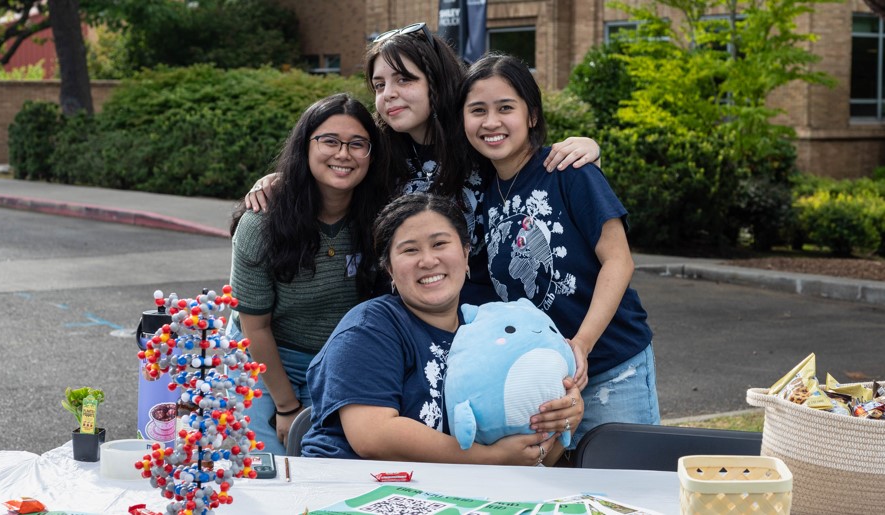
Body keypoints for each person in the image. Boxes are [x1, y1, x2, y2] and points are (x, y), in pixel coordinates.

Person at [245, 22, 602, 306]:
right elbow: (333, 168)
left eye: (404, 79)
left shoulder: (478, 141)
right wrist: (283, 178)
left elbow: (529, 158)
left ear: (437, 81)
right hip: (399, 321)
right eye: (379, 85)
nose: (389, 94)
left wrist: (587, 147)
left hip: (481, 327)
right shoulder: (379, 153)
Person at [459, 53, 660, 444]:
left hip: (610, 367)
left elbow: (619, 261)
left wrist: (580, 345)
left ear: (531, 115)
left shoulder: (568, 169)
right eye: (477, 110)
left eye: (506, 108)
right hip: (533, 380)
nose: (491, 122)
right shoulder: (478, 193)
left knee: (625, 488)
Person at [300, 194, 584, 465]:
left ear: (465, 252)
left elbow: (531, 457)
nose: (427, 260)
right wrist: (490, 459)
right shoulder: (371, 326)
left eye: (439, 244)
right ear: (389, 269)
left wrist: (564, 417)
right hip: (349, 486)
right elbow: (371, 436)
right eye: (410, 250)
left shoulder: (490, 329)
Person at [227, 93, 388, 455]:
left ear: (371, 155)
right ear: (306, 146)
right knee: (263, 468)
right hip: (261, 360)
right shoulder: (262, 223)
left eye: (357, 144)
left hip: (339, 365)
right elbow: (255, 328)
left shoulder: (382, 218)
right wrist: (286, 406)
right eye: (329, 141)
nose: (343, 154)